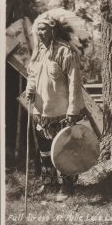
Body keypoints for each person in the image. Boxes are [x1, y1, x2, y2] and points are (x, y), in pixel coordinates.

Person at [26, 16, 85, 201]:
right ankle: (49, 182)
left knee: (63, 149)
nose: (39, 33)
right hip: (40, 110)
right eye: (38, 29)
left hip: (61, 112)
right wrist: (30, 89)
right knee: (44, 150)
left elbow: (75, 83)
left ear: (53, 30)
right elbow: (33, 75)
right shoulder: (38, 51)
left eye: (43, 29)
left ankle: (67, 186)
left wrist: (72, 111)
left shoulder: (66, 51)